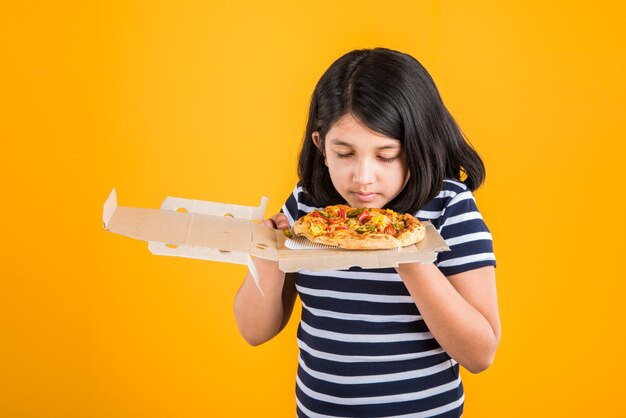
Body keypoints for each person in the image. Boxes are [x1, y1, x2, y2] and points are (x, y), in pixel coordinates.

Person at [234, 47, 500, 417]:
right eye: (344, 153)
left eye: (386, 155)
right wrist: (267, 260)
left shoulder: (448, 206)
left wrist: (410, 258)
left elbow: (480, 353)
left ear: (416, 146)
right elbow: (254, 332)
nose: (362, 177)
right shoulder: (309, 207)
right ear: (320, 147)